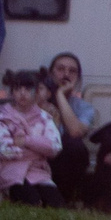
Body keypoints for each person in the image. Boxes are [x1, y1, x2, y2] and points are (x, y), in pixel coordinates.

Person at [0, 70, 65, 206]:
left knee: (56, 203)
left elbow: (55, 146)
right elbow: (4, 149)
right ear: (12, 92)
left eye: (28, 89)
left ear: (36, 92)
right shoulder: (4, 117)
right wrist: (39, 150)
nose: (22, 93)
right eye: (18, 89)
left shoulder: (44, 118)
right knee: (32, 201)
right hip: (12, 172)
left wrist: (26, 141)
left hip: (38, 171)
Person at [42, 53, 99, 205]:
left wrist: (60, 94)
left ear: (78, 77)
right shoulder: (38, 100)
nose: (66, 74)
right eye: (60, 69)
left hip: (64, 165)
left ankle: (65, 198)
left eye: (72, 71)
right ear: (51, 73)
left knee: (75, 145)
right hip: (38, 159)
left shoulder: (84, 107)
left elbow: (75, 132)